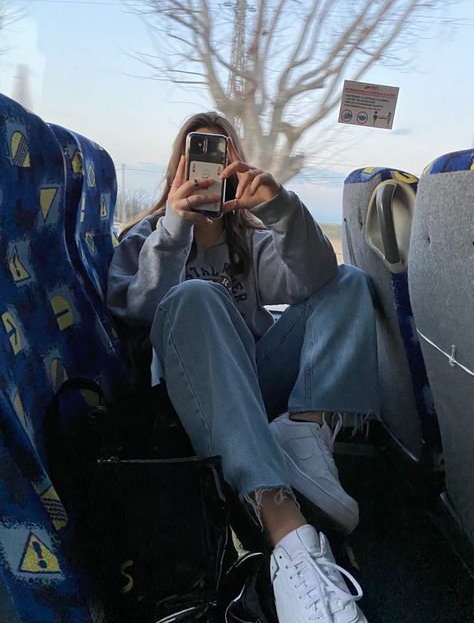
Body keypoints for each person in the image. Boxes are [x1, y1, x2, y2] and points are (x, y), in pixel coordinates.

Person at [107, 111, 379, 623]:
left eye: (223, 157)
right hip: (191, 395)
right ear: (181, 166)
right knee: (196, 297)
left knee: (348, 282)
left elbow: (318, 278)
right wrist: (174, 228)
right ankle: (288, 534)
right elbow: (136, 310)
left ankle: (303, 432)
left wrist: (281, 209)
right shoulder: (146, 236)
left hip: (255, 384)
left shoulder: (250, 241)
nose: (212, 171)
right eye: (200, 158)